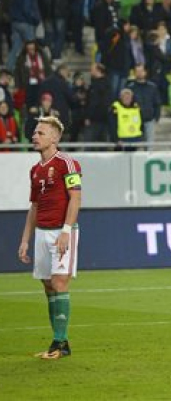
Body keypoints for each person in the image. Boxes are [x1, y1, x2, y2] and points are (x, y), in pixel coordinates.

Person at [17, 115, 81, 359]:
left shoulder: (68, 163)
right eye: (35, 132)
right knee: (47, 285)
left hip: (61, 231)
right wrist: (25, 239)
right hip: (41, 233)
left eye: (40, 133)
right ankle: (58, 343)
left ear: (54, 138)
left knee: (59, 283)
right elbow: (34, 206)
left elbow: (75, 198)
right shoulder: (35, 170)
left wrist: (66, 231)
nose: (34, 136)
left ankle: (61, 344)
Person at [125, 65, 160, 146]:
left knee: (149, 144)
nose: (139, 73)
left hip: (149, 119)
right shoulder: (130, 87)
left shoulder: (152, 87)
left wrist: (156, 117)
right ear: (134, 73)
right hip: (134, 120)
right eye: (137, 71)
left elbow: (157, 103)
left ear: (145, 72)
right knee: (133, 144)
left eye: (141, 71)